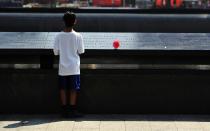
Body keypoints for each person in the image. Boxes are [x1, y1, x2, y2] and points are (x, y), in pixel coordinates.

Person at [53, 11, 85, 118]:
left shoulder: (58, 36)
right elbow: (81, 51)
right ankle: (72, 111)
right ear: (75, 22)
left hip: (62, 67)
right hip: (74, 68)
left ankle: (64, 111)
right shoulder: (78, 36)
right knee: (73, 89)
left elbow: (55, 52)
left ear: (64, 21)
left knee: (62, 88)